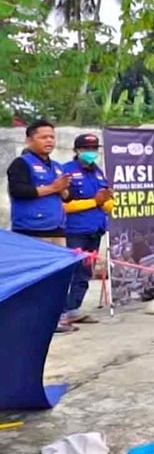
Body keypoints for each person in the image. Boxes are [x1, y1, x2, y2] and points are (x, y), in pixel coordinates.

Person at [7, 120, 72, 332]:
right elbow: (20, 191)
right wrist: (53, 187)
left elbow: (66, 196)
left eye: (52, 137)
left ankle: (55, 317)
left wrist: (63, 190)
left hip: (57, 229)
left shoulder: (57, 166)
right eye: (43, 137)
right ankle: (32, 320)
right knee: (35, 278)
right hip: (32, 231)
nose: (49, 141)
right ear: (29, 139)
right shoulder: (21, 164)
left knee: (57, 277)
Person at [61, 133, 115, 325]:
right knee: (70, 271)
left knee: (85, 271)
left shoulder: (98, 172)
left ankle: (74, 308)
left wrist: (107, 201)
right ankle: (61, 312)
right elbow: (64, 205)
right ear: (76, 151)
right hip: (75, 230)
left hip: (96, 228)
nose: (90, 153)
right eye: (86, 149)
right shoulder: (66, 172)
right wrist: (95, 201)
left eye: (93, 149)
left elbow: (107, 203)